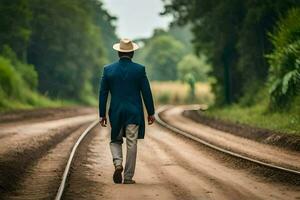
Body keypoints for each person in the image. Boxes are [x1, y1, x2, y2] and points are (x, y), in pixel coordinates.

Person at [99, 38, 155, 184]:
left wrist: (102, 114)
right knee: (132, 143)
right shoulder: (139, 70)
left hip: (116, 112)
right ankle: (128, 177)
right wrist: (151, 112)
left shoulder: (108, 70)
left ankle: (118, 163)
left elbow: (103, 93)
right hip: (134, 112)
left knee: (115, 140)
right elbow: (146, 93)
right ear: (132, 53)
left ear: (118, 52)